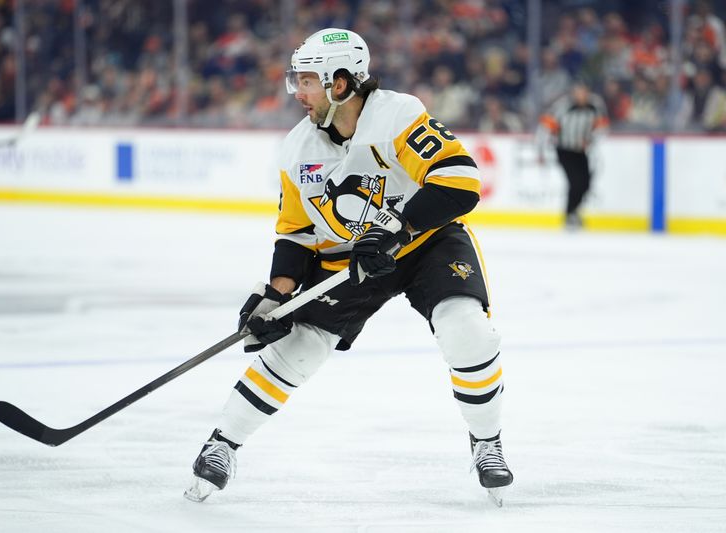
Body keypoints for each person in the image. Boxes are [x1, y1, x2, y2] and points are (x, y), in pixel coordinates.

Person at [184, 28, 513, 506]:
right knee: (298, 347)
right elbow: (295, 233)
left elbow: (460, 181)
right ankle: (222, 444)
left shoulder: (397, 114)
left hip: (425, 242)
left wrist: (398, 228)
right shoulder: (298, 149)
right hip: (349, 260)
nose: (298, 92)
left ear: (341, 83)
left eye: (307, 81)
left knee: (465, 328)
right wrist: (276, 294)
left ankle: (486, 441)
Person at [538, 82, 609, 229]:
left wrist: (591, 139)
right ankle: (570, 214)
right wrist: (541, 151)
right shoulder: (563, 107)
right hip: (564, 150)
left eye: (584, 92)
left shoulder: (595, 106)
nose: (581, 95)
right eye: (578, 92)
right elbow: (545, 127)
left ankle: (574, 212)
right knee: (575, 182)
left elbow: (603, 128)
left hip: (581, 151)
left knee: (586, 183)